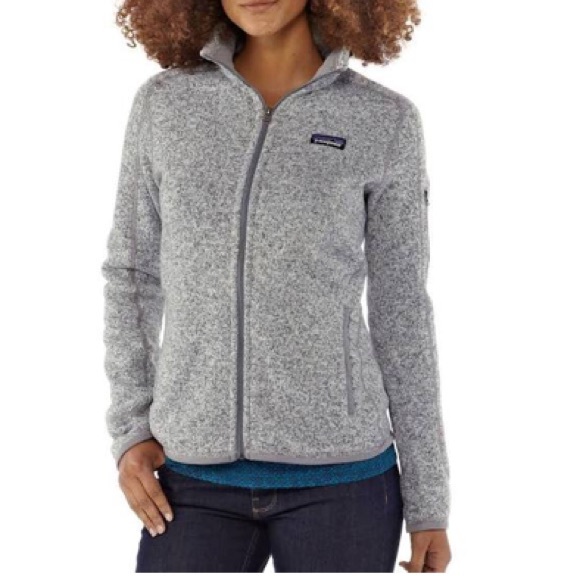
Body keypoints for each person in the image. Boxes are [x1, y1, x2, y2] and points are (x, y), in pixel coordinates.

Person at [101, 0, 452, 573]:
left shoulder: (384, 121)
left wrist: (428, 500)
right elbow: (133, 275)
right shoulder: (164, 106)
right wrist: (130, 430)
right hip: (189, 477)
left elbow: (403, 310)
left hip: (344, 481)